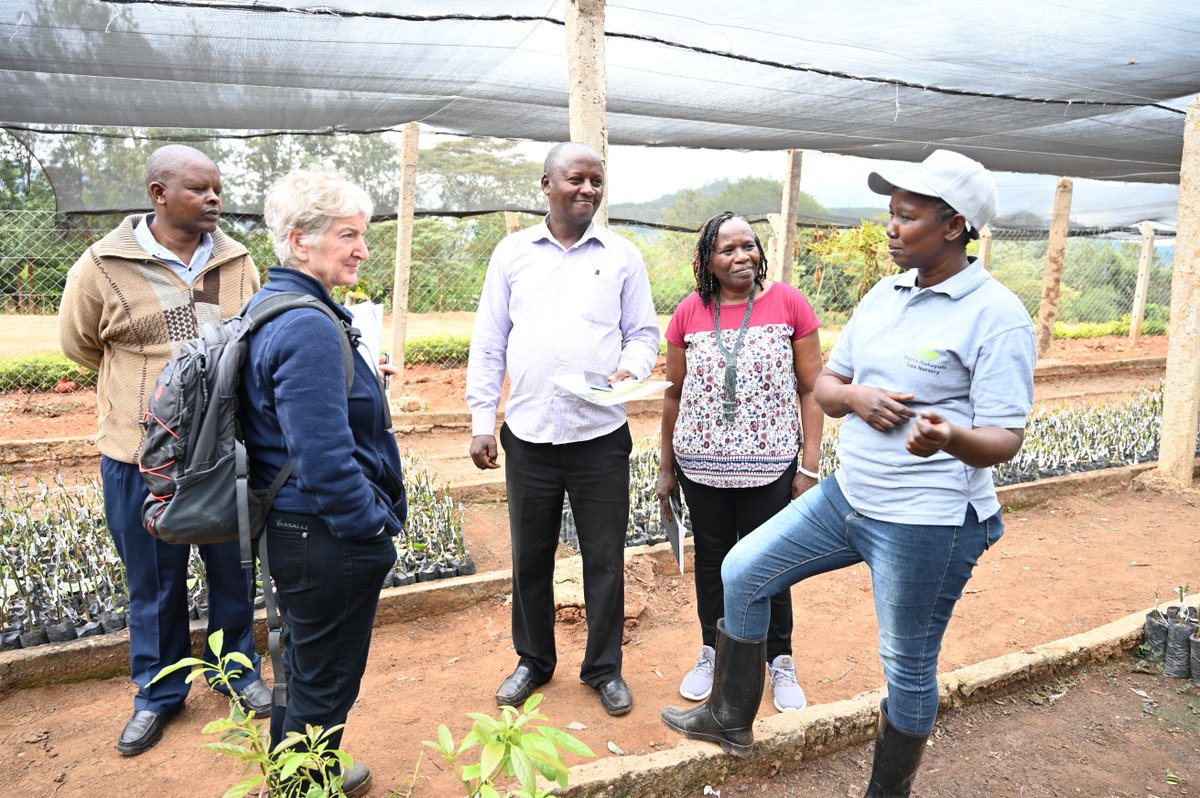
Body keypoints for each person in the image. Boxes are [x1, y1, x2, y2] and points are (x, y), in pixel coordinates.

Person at [661, 150, 1036, 797]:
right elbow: (829, 384)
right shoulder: (884, 297)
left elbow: (1006, 438)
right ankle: (729, 717)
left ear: (953, 226)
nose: (891, 226)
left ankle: (886, 791)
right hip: (849, 497)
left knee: (908, 666)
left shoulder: (996, 315)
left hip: (926, 520)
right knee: (741, 569)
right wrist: (857, 398)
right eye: (891, 213)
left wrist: (953, 436)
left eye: (906, 215)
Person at [58, 144, 270, 756]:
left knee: (233, 571)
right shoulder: (102, 264)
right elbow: (80, 344)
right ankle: (157, 693)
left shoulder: (237, 261)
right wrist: (152, 396)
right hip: (140, 456)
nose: (214, 200)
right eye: (200, 190)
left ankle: (238, 673)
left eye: (218, 190)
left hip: (226, 452)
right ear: (158, 193)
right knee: (152, 582)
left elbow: (249, 336)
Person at [466, 141, 660, 716]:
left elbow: (643, 333)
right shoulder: (512, 253)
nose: (587, 190)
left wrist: (629, 368)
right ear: (546, 184)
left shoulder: (623, 255)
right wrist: (483, 420)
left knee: (604, 555)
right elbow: (489, 341)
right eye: (575, 179)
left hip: (600, 433)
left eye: (596, 181)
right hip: (528, 433)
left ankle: (604, 668)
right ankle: (533, 661)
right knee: (530, 555)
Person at [240, 169, 407, 797]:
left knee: (306, 670)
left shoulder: (278, 306)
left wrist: (363, 381)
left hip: (295, 528)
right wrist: (370, 526)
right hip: (325, 533)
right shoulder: (308, 324)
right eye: (348, 235)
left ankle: (293, 777)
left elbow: (306, 416)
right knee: (328, 676)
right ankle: (303, 787)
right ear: (299, 240)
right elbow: (325, 461)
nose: (362, 249)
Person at [655, 211, 823, 712]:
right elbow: (672, 395)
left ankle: (780, 658)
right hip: (700, 468)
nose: (741, 257)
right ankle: (713, 651)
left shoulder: (789, 303)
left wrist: (809, 468)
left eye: (748, 245)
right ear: (707, 259)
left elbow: (813, 387)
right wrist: (666, 468)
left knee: (771, 562)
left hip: (770, 467)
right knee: (712, 562)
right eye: (727, 249)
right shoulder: (689, 312)